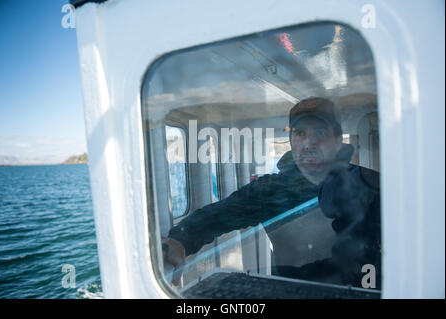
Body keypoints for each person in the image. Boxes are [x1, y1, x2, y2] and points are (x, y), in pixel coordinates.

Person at [162, 97, 381, 289]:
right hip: (288, 292)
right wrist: (182, 238)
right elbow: (223, 212)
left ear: (337, 139)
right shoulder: (271, 190)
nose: (307, 143)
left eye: (319, 132)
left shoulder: (368, 185)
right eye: (300, 133)